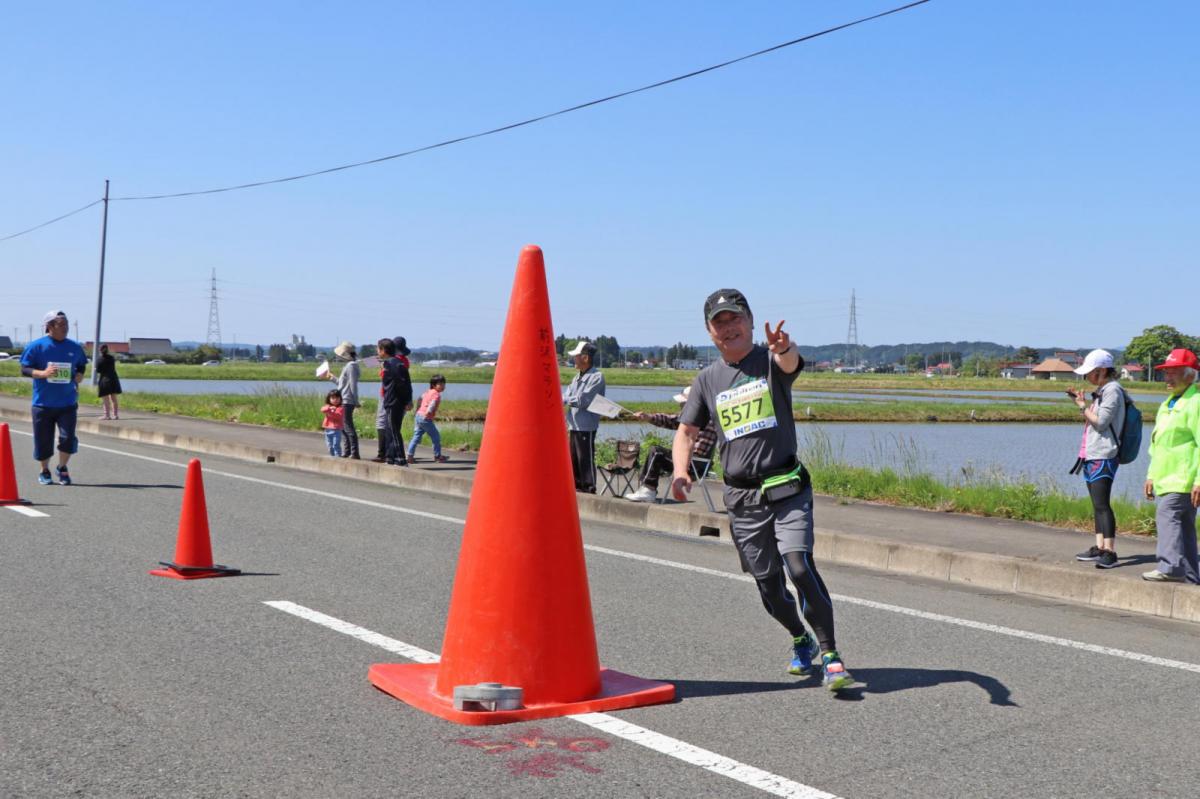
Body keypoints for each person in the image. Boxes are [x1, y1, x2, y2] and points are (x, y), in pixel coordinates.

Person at [670, 289, 854, 691]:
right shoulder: (707, 380)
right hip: (742, 498)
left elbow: (790, 362)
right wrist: (680, 471)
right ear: (709, 332)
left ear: (751, 322)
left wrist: (784, 348)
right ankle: (800, 638)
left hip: (787, 487)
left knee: (799, 566)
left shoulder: (770, 362)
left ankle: (830, 653)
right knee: (768, 585)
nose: (729, 327)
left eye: (735, 319)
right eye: (720, 322)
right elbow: (686, 430)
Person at [1142, 348, 1200, 584]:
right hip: (1167, 477)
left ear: (1190, 375)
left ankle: (1170, 566)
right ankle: (1191, 576)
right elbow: (1158, 444)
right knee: (1184, 526)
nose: (1168, 378)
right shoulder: (1168, 403)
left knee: (1167, 514)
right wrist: (1151, 475)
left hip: (1184, 477)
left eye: (1173, 372)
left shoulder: (1195, 402)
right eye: (1166, 373)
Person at [1068, 349, 1126, 569]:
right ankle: (1099, 547)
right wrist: (1082, 403)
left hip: (1104, 454)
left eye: (1090, 372)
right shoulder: (1102, 390)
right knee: (1096, 505)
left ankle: (1110, 551)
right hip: (1092, 454)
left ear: (1102, 371)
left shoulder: (1112, 391)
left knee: (1103, 505)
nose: (1087, 377)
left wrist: (1083, 407)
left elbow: (1100, 423)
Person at [19, 310, 89, 486]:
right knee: (43, 440)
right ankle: (44, 470)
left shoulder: (74, 347)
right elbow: (24, 369)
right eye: (61, 325)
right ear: (49, 326)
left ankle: (62, 467)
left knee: (67, 438)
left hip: (67, 403)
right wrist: (43, 373)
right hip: (42, 403)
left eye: (66, 324)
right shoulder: (36, 347)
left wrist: (79, 375)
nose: (65, 328)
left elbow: (81, 365)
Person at [624, 386, 717, 502]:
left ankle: (648, 489)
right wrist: (648, 417)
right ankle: (646, 488)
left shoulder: (705, 419)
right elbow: (670, 420)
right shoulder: (700, 417)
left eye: (683, 404)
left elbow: (695, 447)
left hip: (695, 464)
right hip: (694, 462)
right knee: (657, 452)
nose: (681, 406)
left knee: (656, 452)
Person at [562, 340, 605, 493]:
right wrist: (565, 398)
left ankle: (589, 488)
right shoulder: (576, 377)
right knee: (574, 459)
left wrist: (563, 399)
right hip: (574, 424)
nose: (574, 359)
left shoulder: (596, 377)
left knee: (585, 459)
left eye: (576, 356)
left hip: (586, 426)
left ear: (585, 358)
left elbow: (583, 400)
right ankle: (577, 489)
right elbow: (568, 395)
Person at [377, 337, 413, 466]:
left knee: (393, 431)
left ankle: (401, 459)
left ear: (383, 350)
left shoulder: (393, 364)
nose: (377, 351)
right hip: (392, 401)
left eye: (378, 349)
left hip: (394, 402)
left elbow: (403, 384)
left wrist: (406, 401)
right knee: (389, 430)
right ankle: (390, 458)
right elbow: (407, 383)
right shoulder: (395, 363)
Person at [326, 341, 360, 459]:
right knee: (344, 427)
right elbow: (342, 384)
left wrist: (356, 401)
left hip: (347, 400)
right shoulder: (349, 365)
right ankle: (347, 451)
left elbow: (352, 385)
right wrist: (332, 378)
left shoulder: (351, 366)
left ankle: (354, 453)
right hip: (344, 399)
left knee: (348, 427)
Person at [407, 374, 450, 464]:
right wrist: (428, 411)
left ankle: (409, 456)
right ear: (434, 385)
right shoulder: (436, 394)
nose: (443, 386)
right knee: (436, 436)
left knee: (416, 436)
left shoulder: (427, 392)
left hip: (419, 415)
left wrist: (417, 410)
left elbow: (419, 399)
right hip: (425, 417)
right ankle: (438, 456)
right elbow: (433, 403)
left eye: (444, 384)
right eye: (440, 384)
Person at [96, 344, 123, 420]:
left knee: (105, 399)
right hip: (114, 379)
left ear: (100, 350)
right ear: (107, 350)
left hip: (104, 379)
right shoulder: (112, 358)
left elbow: (98, 370)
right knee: (114, 398)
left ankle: (107, 415)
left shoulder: (99, 359)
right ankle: (115, 415)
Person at [321, 389, 345, 457]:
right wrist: (330, 408)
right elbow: (322, 409)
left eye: (337, 398)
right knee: (329, 445)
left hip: (336, 429)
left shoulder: (341, 408)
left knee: (336, 444)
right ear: (329, 399)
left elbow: (338, 416)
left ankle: (338, 457)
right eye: (333, 398)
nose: (335, 400)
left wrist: (331, 411)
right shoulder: (328, 406)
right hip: (328, 429)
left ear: (340, 399)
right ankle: (332, 456)